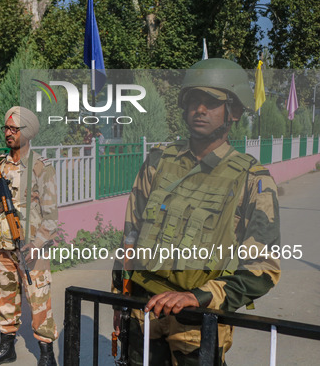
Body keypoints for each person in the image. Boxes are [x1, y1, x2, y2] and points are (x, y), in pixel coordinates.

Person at [111, 59, 281, 365]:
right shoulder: (158, 161)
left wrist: (199, 297)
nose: (199, 110)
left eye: (211, 102)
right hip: (142, 311)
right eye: (193, 101)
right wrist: (119, 299)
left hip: (198, 323)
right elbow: (131, 235)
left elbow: (263, 268)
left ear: (235, 111)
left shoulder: (252, 178)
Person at [0, 106, 58, 366]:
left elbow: (51, 217)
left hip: (30, 247)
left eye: (15, 129)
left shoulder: (40, 167)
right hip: (3, 246)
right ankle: (6, 347)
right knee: (4, 296)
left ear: (28, 133)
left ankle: (47, 355)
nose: (9, 133)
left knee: (39, 301)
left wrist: (36, 245)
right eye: (7, 128)